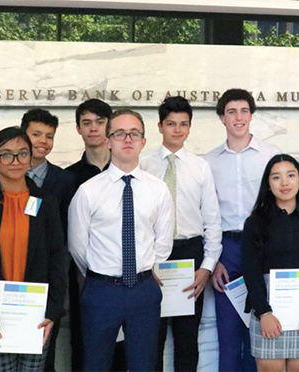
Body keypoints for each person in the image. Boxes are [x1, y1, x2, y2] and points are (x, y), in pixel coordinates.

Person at [68, 109, 174, 371]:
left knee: (144, 364)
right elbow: (78, 246)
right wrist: (98, 274)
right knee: (95, 364)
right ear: (108, 141)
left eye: (134, 134)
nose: (127, 139)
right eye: (119, 134)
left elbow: (163, 241)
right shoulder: (88, 191)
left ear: (143, 142)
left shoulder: (158, 189)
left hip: (143, 291)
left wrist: (145, 268)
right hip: (101, 291)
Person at [0, 126, 69, 372]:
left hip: (37, 315)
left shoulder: (46, 202)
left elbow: (58, 258)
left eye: (22, 154)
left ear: (30, 158)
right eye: (6, 154)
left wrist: (51, 311)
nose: (15, 161)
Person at [140, 96, 222, 371]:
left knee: (188, 338)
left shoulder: (200, 167)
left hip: (191, 254)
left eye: (183, 124)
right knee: (153, 336)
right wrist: (145, 264)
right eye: (171, 124)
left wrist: (206, 268)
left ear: (190, 127)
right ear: (160, 126)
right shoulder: (144, 166)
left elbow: (212, 220)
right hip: (154, 256)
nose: (177, 130)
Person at [204, 88, 281, 372]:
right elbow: (207, 215)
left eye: (244, 111)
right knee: (227, 332)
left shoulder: (271, 155)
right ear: (222, 118)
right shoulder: (208, 161)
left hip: (263, 246)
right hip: (227, 250)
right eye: (232, 112)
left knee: (260, 330)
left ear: (252, 115)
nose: (239, 117)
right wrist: (213, 261)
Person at [242, 154, 299, 372]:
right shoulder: (255, 223)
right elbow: (251, 270)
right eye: (276, 177)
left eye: (291, 175)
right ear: (268, 184)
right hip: (268, 314)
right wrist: (264, 313)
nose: (284, 183)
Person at [19, 108, 75, 372]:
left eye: (49, 136)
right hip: (10, 272)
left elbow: (66, 232)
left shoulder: (65, 181)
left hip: (46, 275)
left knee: (44, 352)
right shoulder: (6, 176)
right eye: (36, 134)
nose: (43, 141)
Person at [64, 98, 115, 371]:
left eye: (99, 122)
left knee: (120, 345)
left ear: (109, 126)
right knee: (84, 343)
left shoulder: (128, 174)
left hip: (122, 275)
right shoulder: (67, 179)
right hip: (82, 275)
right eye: (87, 123)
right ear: (78, 129)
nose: (93, 128)